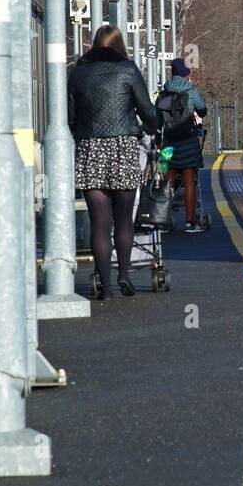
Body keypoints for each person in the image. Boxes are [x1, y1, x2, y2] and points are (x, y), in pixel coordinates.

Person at [68, 24, 159, 298]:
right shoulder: (128, 70)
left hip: (90, 147)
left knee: (100, 223)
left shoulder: (77, 72)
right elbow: (147, 110)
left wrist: (82, 135)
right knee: (123, 220)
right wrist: (154, 127)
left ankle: (105, 287)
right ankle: (123, 275)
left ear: (94, 44)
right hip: (123, 147)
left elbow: (70, 116)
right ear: (120, 45)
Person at [159, 56, 207, 233]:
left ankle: (163, 220)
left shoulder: (164, 93)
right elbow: (203, 110)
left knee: (167, 181)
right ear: (186, 73)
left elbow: (157, 118)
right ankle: (190, 222)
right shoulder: (191, 90)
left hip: (167, 145)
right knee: (189, 181)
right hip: (188, 142)